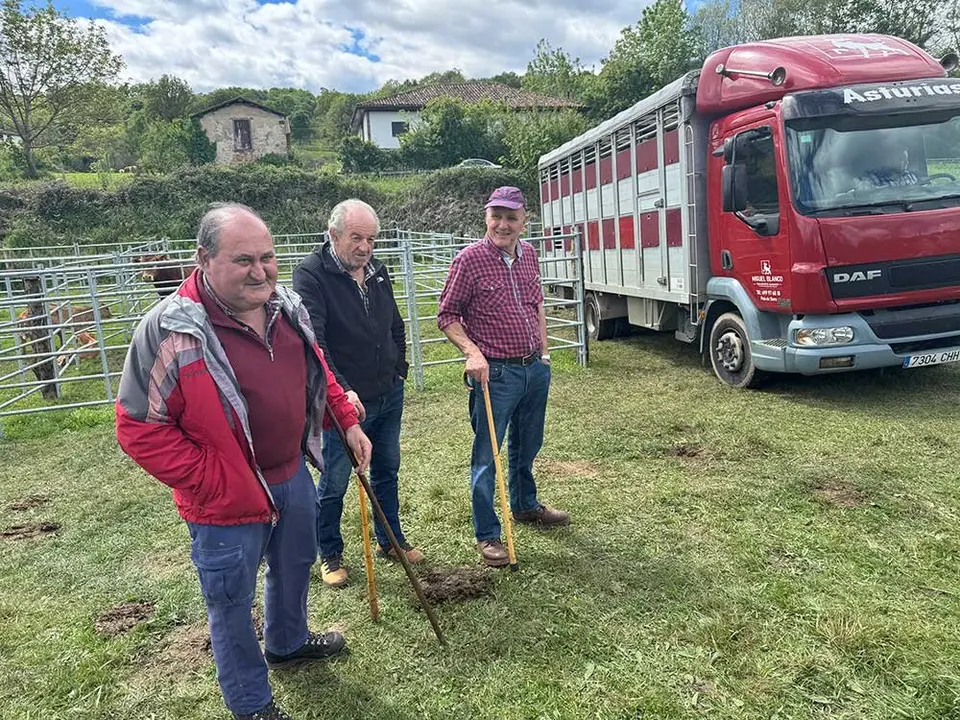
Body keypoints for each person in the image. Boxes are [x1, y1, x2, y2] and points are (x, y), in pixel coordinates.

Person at [115, 203, 372, 720]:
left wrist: (344, 418)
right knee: (231, 601)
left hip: (290, 473)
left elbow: (317, 369)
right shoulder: (170, 329)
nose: (260, 271)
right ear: (204, 258)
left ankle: (287, 641)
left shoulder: (288, 307)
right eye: (243, 261)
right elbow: (138, 428)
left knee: (296, 565)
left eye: (268, 257)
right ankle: (251, 703)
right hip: (223, 498)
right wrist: (211, 480)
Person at [293, 199, 424, 588]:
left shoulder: (377, 271)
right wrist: (343, 391)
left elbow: (394, 324)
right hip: (342, 403)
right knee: (334, 479)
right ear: (333, 235)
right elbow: (315, 342)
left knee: (388, 468)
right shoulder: (311, 275)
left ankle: (390, 539)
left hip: (387, 392)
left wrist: (399, 368)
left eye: (371, 239)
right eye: (356, 238)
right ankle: (329, 553)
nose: (365, 247)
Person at [437, 186, 570, 568]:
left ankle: (525, 505)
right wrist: (473, 353)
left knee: (528, 444)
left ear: (525, 220)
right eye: (496, 215)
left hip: (533, 369)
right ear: (486, 217)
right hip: (495, 374)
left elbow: (536, 303)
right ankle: (488, 534)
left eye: (511, 217)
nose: (503, 224)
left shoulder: (529, 255)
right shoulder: (469, 261)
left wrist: (544, 354)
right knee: (486, 456)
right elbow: (447, 315)